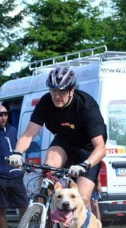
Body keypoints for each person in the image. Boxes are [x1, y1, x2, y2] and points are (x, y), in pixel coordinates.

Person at [8, 67, 107, 207]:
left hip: (88, 148)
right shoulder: (46, 103)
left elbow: (101, 148)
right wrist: (17, 153)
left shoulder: (86, 106)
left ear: (71, 90)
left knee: (83, 198)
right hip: (65, 141)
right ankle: (44, 218)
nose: (56, 96)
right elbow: (28, 134)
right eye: (53, 91)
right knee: (48, 172)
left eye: (61, 92)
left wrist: (84, 165)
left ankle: (86, 227)